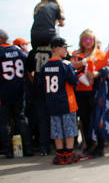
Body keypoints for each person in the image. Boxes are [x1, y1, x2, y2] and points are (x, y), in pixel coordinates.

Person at [0, 28, 33, 158]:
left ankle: (8, 151)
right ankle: (28, 149)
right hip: (19, 91)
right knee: (22, 120)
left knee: (5, 123)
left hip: (2, 93)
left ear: (1, 38)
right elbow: (28, 65)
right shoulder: (18, 50)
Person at [71, 29, 109, 157]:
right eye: (85, 39)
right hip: (80, 91)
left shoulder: (100, 54)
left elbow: (107, 70)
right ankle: (89, 145)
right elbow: (72, 65)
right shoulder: (76, 53)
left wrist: (96, 74)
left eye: (90, 39)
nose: (88, 42)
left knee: (98, 119)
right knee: (84, 120)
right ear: (81, 41)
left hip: (96, 91)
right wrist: (84, 62)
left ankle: (100, 147)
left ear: (94, 40)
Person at [38, 37, 79, 165]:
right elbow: (74, 81)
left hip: (52, 103)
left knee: (57, 130)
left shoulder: (45, 67)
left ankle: (60, 154)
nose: (66, 50)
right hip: (67, 101)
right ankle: (70, 154)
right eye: (64, 47)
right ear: (56, 48)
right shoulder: (65, 64)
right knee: (69, 129)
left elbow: (40, 86)